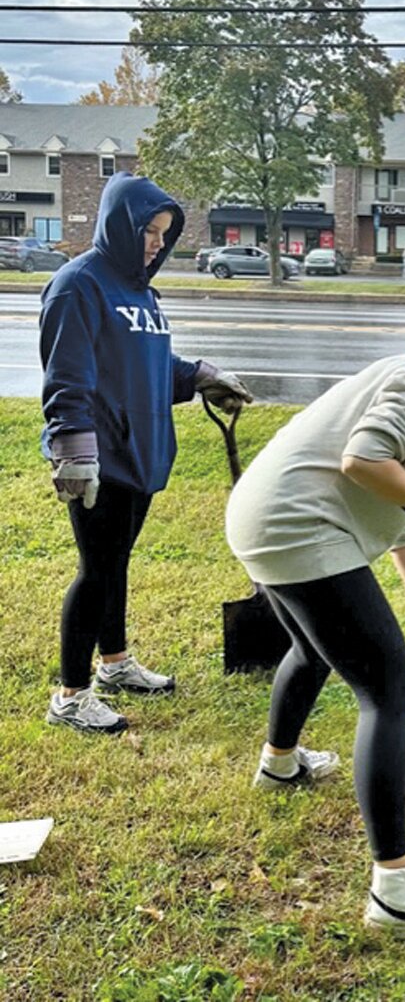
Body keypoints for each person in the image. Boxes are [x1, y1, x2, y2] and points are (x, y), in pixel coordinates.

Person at [225, 316, 405, 938]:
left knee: (313, 647)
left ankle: (281, 764)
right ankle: (397, 893)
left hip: (265, 521)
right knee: (390, 691)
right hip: (300, 527)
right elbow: (365, 460)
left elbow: (398, 510)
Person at [40, 171, 253, 735]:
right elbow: (66, 375)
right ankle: (70, 694)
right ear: (119, 226)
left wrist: (203, 375)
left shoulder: (140, 293)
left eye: (164, 233)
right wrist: (73, 449)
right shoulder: (77, 285)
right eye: (149, 232)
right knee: (97, 570)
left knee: (117, 564)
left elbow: (152, 367)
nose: (158, 243)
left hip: (142, 455)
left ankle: (113, 663)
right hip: (101, 455)